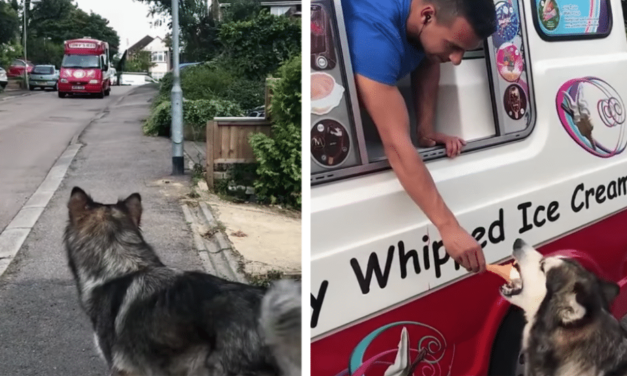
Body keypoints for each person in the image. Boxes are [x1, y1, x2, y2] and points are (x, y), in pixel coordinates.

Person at [341, 0, 497, 273]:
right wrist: (449, 227)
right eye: (453, 46)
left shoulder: (422, 24)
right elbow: (397, 148)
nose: (457, 60)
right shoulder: (373, 34)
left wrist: (425, 130)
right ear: (427, 14)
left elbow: (428, 57)